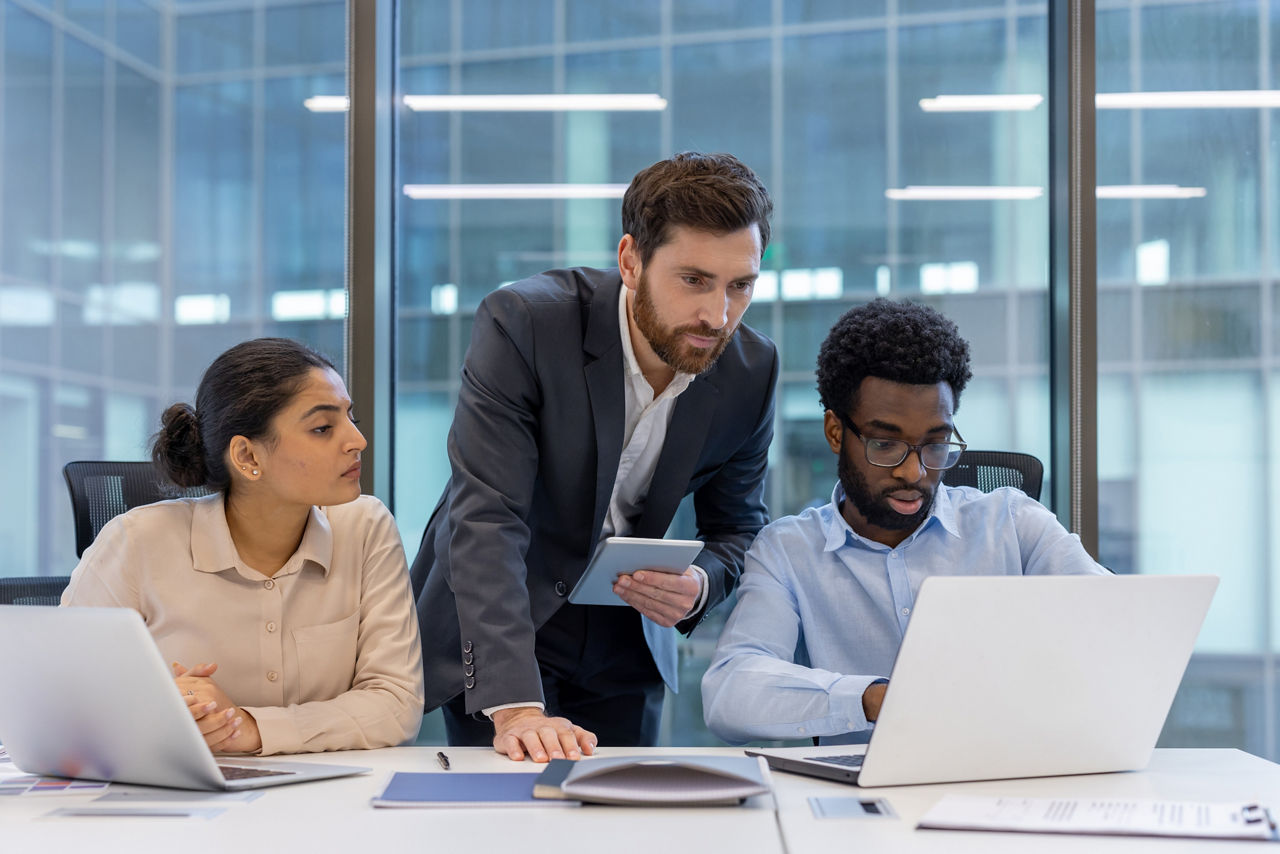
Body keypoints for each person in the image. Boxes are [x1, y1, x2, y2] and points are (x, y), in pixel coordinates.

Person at [411, 151, 778, 761]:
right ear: (631, 260)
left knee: (627, 823)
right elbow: (485, 518)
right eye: (693, 280)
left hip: (627, 632)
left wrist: (699, 584)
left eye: (740, 286)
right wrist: (518, 706)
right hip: (509, 621)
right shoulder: (525, 324)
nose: (717, 316)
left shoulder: (750, 369)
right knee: (510, 815)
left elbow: (737, 528)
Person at [701, 299, 1107, 745]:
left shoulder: (1013, 525)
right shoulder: (788, 551)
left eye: (935, 445)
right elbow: (731, 689)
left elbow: (1116, 625)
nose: (913, 473)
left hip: (1002, 785)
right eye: (885, 445)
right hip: (858, 800)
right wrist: (875, 699)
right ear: (836, 432)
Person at [62, 338, 425, 755]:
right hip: (175, 800)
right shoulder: (138, 541)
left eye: (350, 417)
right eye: (323, 428)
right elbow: (61, 693)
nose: (357, 440)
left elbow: (397, 702)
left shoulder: (366, 526)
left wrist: (249, 728)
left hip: (329, 802)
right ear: (247, 455)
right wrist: (158, 705)